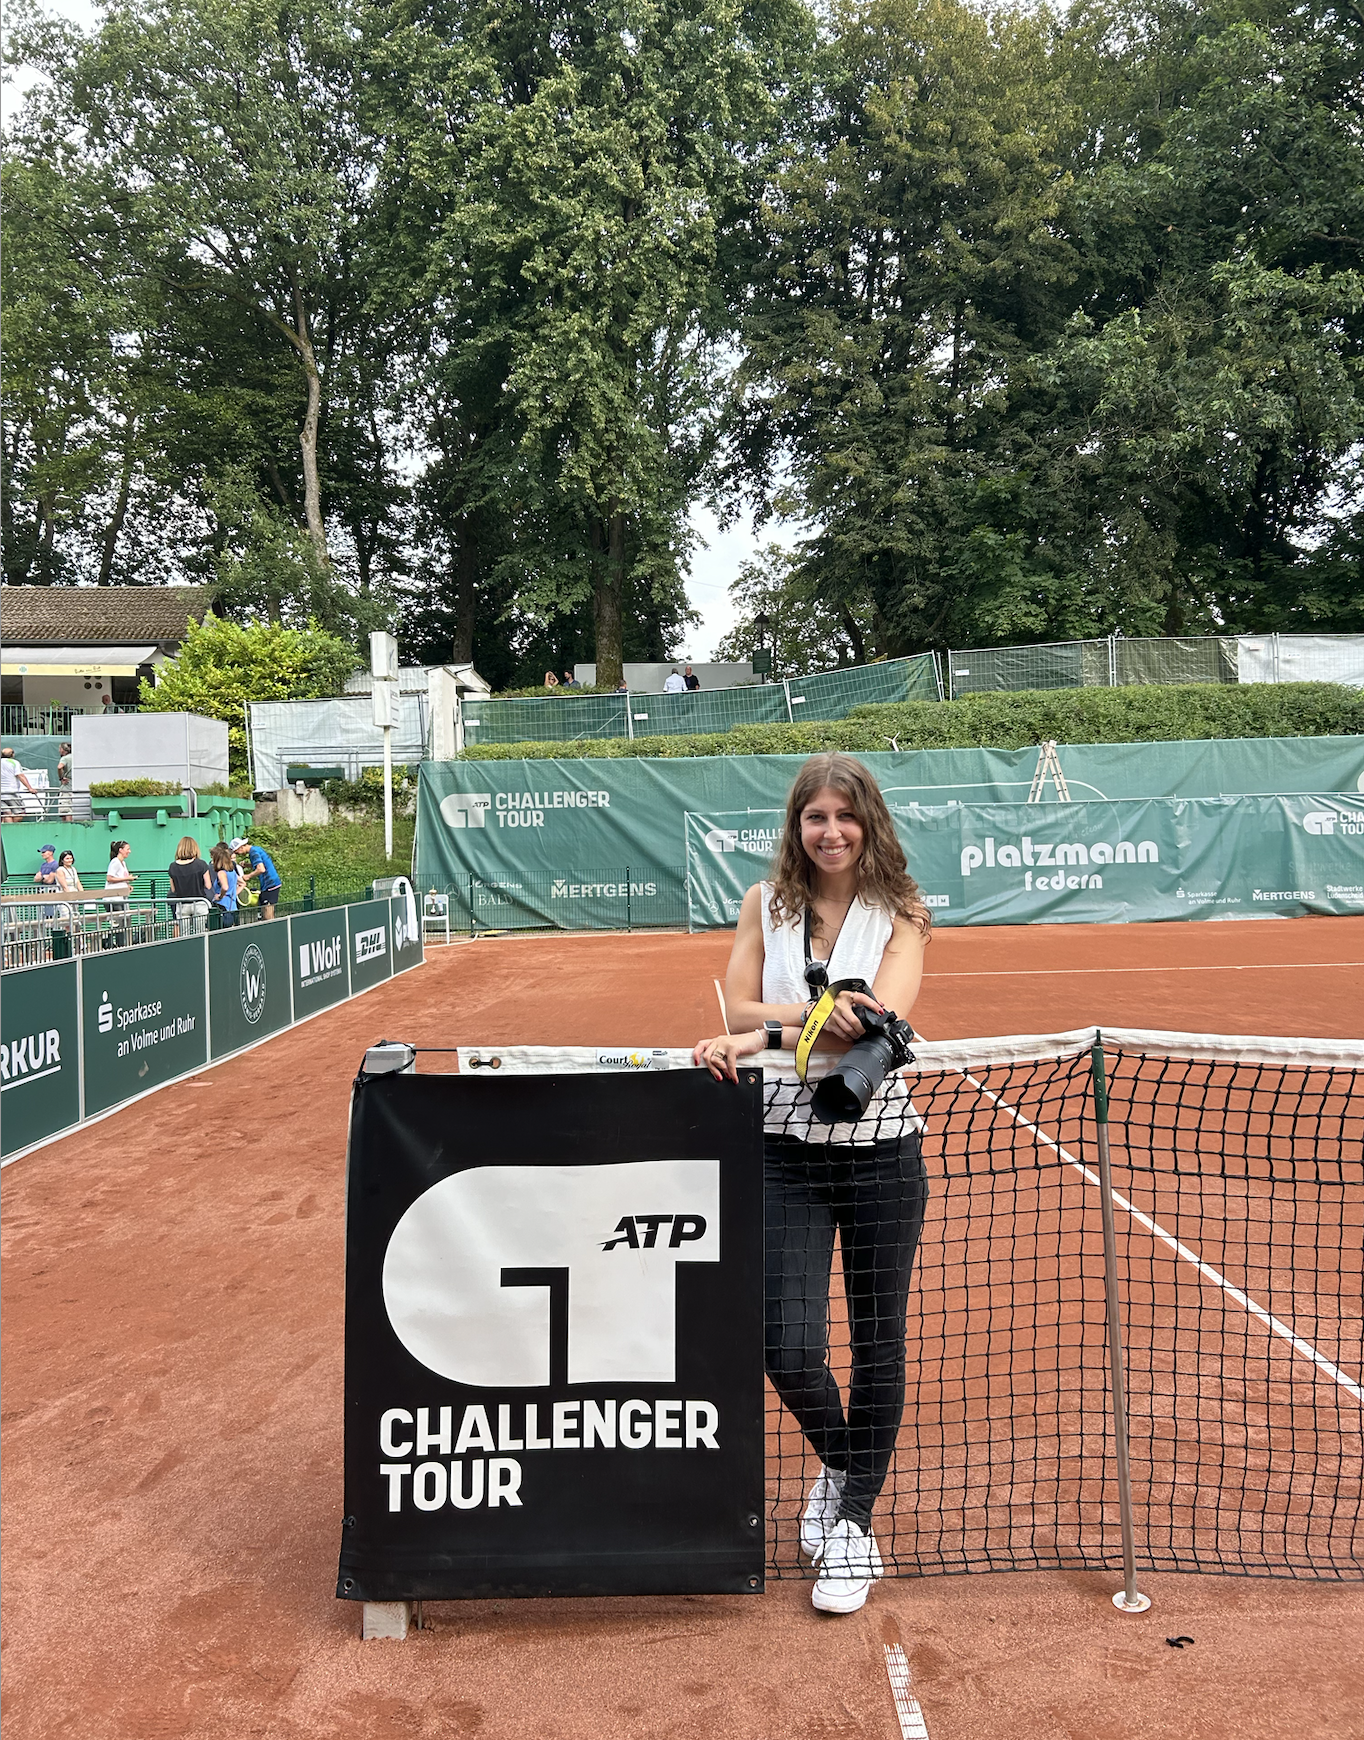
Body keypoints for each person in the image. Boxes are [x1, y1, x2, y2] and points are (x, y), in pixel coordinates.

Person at [691, 753, 931, 1616]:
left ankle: (853, 1520)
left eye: (845, 815)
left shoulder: (904, 910)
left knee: (878, 1343)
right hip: (784, 1148)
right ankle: (843, 1462)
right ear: (796, 827)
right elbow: (736, 1008)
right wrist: (795, 1020)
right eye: (813, 817)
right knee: (784, 1344)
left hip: (882, 1154)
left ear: (869, 821)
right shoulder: (768, 904)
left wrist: (771, 1035)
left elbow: (884, 1022)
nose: (830, 831)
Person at [167, 836, 212, 935]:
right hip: (200, 902)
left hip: (182, 904)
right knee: (200, 934)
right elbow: (208, 885)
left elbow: (173, 889)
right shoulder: (201, 864)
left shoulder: (173, 866)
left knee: (185, 935)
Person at [231, 836, 282, 919]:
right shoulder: (256, 849)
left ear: (240, 847)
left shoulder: (253, 853)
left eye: (236, 852)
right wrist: (248, 865)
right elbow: (261, 864)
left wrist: (248, 876)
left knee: (267, 911)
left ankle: (270, 929)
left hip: (270, 884)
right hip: (271, 883)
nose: (238, 854)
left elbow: (261, 869)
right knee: (264, 909)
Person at [209, 840, 240, 926]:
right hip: (232, 905)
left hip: (222, 905)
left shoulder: (221, 872)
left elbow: (225, 887)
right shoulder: (232, 872)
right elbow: (242, 883)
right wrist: (233, 894)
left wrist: (220, 896)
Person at [1, 747, 38, 818]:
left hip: (1, 794)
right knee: (20, 813)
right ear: (12, 755)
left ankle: (9, 828)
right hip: (11, 792)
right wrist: (30, 788)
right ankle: (11, 828)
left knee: (7, 814)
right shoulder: (14, 762)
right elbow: (20, 776)